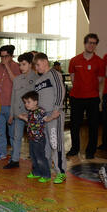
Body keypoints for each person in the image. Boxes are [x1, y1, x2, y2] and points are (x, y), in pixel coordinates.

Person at [67, 33, 106, 159]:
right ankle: (74, 149)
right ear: (85, 43)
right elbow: (72, 78)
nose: (91, 45)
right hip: (76, 97)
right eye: (89, 42)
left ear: (96, 45)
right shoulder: (74, 60)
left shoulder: (100, 62)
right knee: (74, 125)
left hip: (93, 98)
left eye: (94, 43)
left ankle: (90, 151)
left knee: (93, 126)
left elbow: (99, 80)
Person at [34, 53, 67, 184]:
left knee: (55, 143)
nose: (36, 68)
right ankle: (46, 171)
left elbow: (60, 91)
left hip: (54, 115)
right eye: (35, 66)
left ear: (45, 61)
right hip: (43, 116)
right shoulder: (38, 80)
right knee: (46, 145)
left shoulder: (54, 73)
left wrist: (56, 110)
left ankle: (61, 172)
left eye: (38, 65)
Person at [5, 52, 39, 169]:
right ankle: (14, 160)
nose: (21, 67)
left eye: (23, 64)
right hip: (18, 114)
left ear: (30, 64)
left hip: (31, 114)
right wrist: (11, 114)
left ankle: (35, 162)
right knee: (16, 137)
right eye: (20, 65)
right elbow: (13, 97)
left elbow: (38, 98)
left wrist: (34, 113)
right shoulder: (17, 79)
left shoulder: (37, 79)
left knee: (33, 139)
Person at [18, 91, 61, 183]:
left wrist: (52, 116)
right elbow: (30, 121)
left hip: (39, 139)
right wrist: (23, 117)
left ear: (35, 102)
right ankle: (36, 172)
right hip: (31, 138)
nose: (26, 104)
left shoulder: (41, 111)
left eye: (28, 102)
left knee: (40, 157)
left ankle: (46, 175)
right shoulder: (30, 112)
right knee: (33, 157)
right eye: (25, 102)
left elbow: (46, 119)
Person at [0, 45, 21, 161]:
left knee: (12, 133)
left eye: (6, 56)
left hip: (11, 105)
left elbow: (16, 82)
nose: (3, 59)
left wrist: (7, 67)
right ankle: (2, 152)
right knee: (0, 132)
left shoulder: (16, 67)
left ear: (11, 56)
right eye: (1, 56)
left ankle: (14, 155)